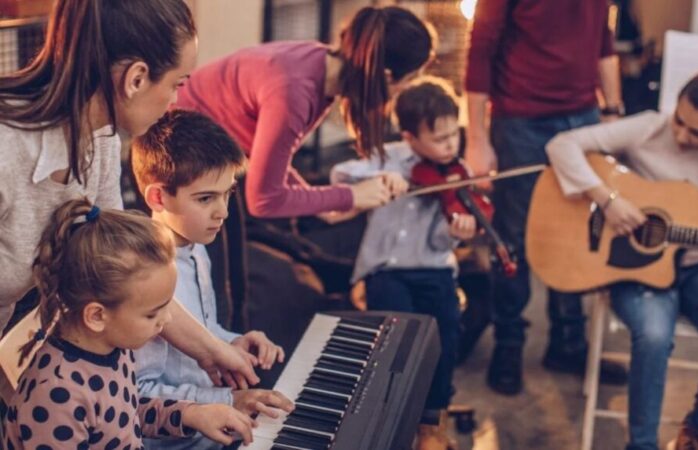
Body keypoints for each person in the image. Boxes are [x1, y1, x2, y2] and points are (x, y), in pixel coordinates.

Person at [0, 0, 258, 388]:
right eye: (176, 84)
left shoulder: (101, 141)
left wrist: (213, 350)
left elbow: (126, 268)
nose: (175, 101)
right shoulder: (6, 149)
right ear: (136, 78)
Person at [464, 0, 627, 395]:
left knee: (574, 235)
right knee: (513, 241)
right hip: (521, 121)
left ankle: (568, 344)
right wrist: (477, 139)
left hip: (585, 116)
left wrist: (613, 109)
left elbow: (603, 38)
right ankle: (509, 345)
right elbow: (481, 48)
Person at [3, 199, 259, 449]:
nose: (167, 320)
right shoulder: (57, 396)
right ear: (97, 316)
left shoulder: (111, 348)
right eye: (152, 314)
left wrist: (191, 415)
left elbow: (124, 412)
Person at [546, 74, 698, 450]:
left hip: (693, 268)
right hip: (633, 267)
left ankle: (694, 430)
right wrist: (608, 199)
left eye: (696, 134)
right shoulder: (651, 127)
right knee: (653, 335)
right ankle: (642, 446)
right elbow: (562, 144)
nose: (680, 136)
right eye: (679, 121)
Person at [131, 110, 294, 450]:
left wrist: (232, 340)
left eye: (227, 194)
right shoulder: (138, 277)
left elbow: (203, 333)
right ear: (158, 197)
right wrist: (227, 399)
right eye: (206, 198)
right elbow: (135, 394)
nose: (223, 212)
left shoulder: (195, 248)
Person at [175, 6, 435, 220]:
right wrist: (351, 195)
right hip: (179, 151)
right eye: (408, 80)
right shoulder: (294, 93)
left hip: (206, 152)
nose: (403, 90)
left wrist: (320, 203)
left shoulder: (321, 66)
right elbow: (264, 199)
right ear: (386, 76)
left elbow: (272, 158)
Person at [331, 77, 476, 450]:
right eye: (440, 139)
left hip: (433, 266)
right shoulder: (388, 157)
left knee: (444, 328)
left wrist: (457, 231)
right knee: (397, 332)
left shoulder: (455, 174)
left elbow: (439, 242)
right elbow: (340, 176)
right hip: (384, 268)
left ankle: (431, 422)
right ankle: (389, 416)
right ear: (410, 137)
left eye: (453, 136)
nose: (450, 146)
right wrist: (380, 177)